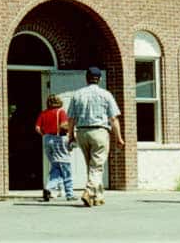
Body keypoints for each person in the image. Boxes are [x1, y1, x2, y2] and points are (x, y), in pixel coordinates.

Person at [66, 66, 124, 207]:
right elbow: (113, 119)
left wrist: (70, 135)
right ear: (100, 79)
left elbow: (71, 118)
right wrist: (119, 137)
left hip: (82, 132)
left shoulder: (77, 94)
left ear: (86, 78)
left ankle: (97, 196)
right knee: (97, 166)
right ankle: (88, 191)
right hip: (99, 131)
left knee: (91, 166)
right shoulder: (106, 95)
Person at [34, 94, 75, 202]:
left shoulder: (44, 113)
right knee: (65, 167)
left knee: (56, 166)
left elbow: (37, 128)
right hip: (59, 139)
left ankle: (49, 187)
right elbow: (63, 126)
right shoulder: (60, 112)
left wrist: (45, 134)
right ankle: (69, 194)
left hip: (47, 139)